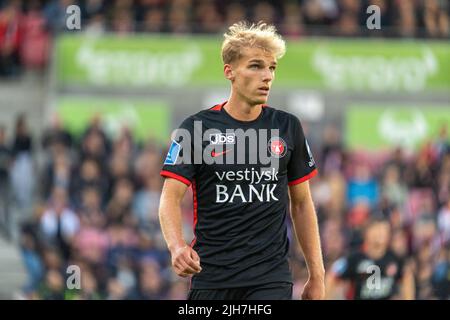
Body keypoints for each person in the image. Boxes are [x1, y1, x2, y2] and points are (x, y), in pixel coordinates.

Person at [158, 21, 324, 300]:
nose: (267, 76)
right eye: (256, 66)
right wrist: (176, 246)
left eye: (272, 68)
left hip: (270, 278)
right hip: (211, 277)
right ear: (230, 72)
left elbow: (302, 203)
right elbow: (169, 198)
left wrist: (317, 276)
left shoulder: (287, 126)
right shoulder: (196, 128)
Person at [325, 216, 415, 300]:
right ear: (367, 232)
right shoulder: (354, 258)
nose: (380, 233)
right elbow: (333, 274)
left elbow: (407, 276)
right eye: (376, 229)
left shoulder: (395, 258)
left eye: (383, 230)